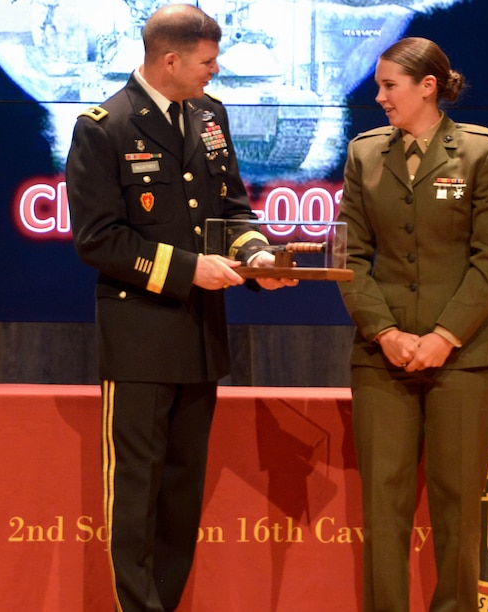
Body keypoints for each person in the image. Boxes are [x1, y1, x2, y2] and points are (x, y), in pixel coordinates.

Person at [64, 4, 294, 610]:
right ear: (171, 59)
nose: (214, 73)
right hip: (140, 338)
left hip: (201, 338)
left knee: (181, 495)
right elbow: (99, 240)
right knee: (136, 497)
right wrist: (192, 269)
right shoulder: (103, 126)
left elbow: (232, 208)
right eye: (207, 62)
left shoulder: (210, 115)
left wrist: (256, 257)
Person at [335, 37, 488, 611]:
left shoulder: (482, 152)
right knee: (382, 509)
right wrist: (386, 333)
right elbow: (351, 259)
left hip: (463, 357)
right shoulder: (365, 154)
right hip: (380, 357)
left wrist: (443, 337)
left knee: (459, 507)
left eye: (390, 85)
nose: (380, 96)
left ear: (427, 86)